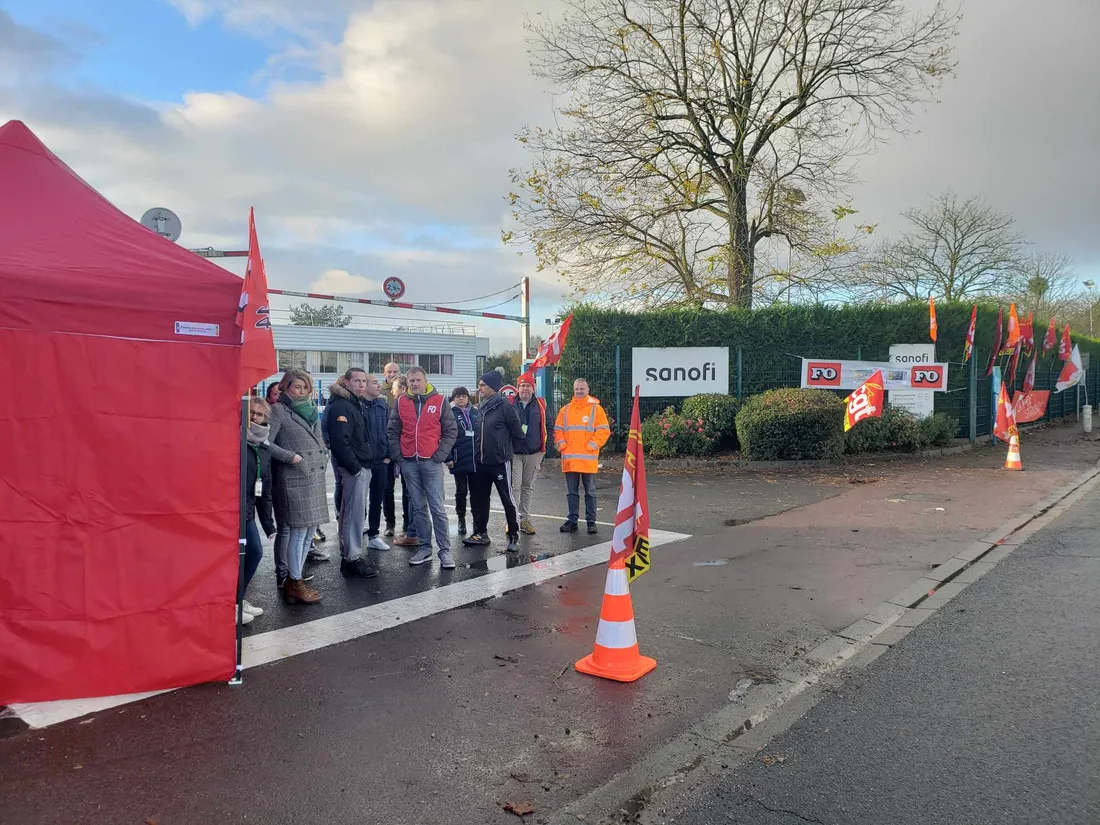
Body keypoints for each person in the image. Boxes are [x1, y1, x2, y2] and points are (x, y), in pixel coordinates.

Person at [268, 368, 329, 604]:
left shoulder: (311, 410)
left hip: (313, 477)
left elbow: (319, 439)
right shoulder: (278, 410)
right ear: (285, 387)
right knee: (296, 532)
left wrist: (324, 455)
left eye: (305, 387)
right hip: (293, 478)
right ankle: (294, 581)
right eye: (296, 387)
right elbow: (266, 442)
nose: (301, 391)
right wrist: (291, 457)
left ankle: (297, 578)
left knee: (307, 535)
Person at [387, 366, 457, 568]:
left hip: (431, 462)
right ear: (407, 382)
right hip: (409, 462)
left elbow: (451, 430)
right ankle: (425, 548)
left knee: (437, 508)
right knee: (418, 508)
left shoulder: (440, 401)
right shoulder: (400, 402)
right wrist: (399, 457)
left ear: (425, 380)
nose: (415, 384)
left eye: (418, 380)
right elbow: (392, 431)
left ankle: (445, 551)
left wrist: (440, 455)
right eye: (411, 381)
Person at [242, 398, 300, 623]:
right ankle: (231, 603)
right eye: (252, 413)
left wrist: (268, 525)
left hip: (248, 510)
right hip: (232, 509)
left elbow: (263, 487)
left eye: (260, 414)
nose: (255, 417)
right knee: (239, 557)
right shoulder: (237, 440)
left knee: (255, 553)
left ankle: (238, 598)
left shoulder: (264, 447)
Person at [326, 369, 381, 579]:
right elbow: (340, 442)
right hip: (354, 468)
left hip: (361, 466)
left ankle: (351, 555)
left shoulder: (354, 403)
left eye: (363, 381)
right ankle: (352, 558)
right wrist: (356, 468)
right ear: (346, 382)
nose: (361, 384)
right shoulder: (341, 405)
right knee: (353, 515)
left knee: (354, 514)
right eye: (356, 381)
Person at [464, 371, 524, 552]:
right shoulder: (480, 407)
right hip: (480, 462)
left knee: (507, 499)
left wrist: (504, 450)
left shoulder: (505, 407)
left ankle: (514, 535)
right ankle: (480, 533)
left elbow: (517, 432)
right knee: (479, 499)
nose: (479, 388)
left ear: (493, 387)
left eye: (483, 385)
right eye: (479, 385)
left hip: (499, 461)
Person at [553, 378, 610, 535]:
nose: (579, 391)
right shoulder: (565, 410)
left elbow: (604, 430)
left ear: (588, 390)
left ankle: (591, 522)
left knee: (590, 492)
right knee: (572, 492)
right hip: (571, 459)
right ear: (573, 390)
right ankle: (572, 521)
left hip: (587, 459)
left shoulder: (596, 409)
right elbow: (557, 430)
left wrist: (592, 445)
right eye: (577, 388)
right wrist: (563, 446)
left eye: (582, 389)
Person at [510, 377, 547, 535]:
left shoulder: (541, 405)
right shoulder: (509, 404)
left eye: (528, 386)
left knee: (527, 487)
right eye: (522, 386)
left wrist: (543, 451)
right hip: (514, 453)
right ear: (517, 388)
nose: (525, 389)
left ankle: (525, 519)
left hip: (534, 453)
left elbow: (548, 426)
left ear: (534, 388)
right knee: (514, 486)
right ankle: (512, 520)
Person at [361, 373, 392, 551]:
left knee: (376, 499)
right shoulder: (356, 405)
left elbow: (389, 430)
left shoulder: (382, 405)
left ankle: (374, 534)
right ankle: (356, 533)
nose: (379, 386)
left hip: (380, 460)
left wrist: (388, 455)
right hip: (363, 461)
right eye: (374, 383)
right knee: (358, 502)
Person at [390, 374, 419, 548]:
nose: (393, 394)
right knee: (410, 495)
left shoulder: (408, 406)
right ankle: (410, 530)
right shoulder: (402, 405)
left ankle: (413, 533)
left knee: (414, 496)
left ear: (402, 389)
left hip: (411, 458)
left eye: (394, 390)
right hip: (406, 458)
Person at [446, 387, 478, 536]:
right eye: (458, 396)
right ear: (453, 399)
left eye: (464, 396)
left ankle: (477, 521)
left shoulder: (475, 412)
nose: (461, 399)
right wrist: (449, 457)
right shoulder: (449, 414)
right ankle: (461, 519)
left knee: (477, 492)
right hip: (459, 459)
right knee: (461, 492)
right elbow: (445, 437)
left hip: (475, 459)